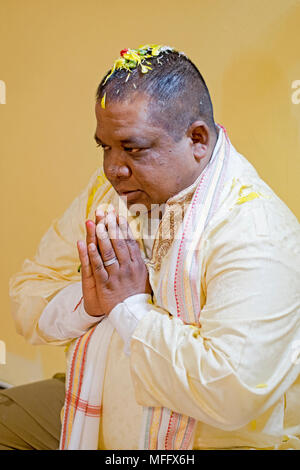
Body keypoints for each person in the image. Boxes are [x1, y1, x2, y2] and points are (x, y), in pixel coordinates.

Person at [6, 44, 300, 450]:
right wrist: (91, 302)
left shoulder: (256, 229)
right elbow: (27, 292)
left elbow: (231, 393)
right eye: (104, 147)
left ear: (197, 139)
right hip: (101, 396)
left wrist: (128, 307)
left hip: (215, 439)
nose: (112, 168)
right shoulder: (109, 192)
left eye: (133, 148)